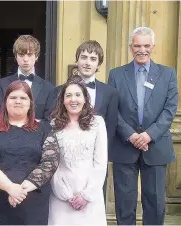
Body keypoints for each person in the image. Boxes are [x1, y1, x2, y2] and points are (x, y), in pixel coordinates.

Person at [108, 27, 178, 225]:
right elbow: (113, 110)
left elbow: (170, 109)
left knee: (155, 203)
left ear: (153, 47)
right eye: (137, 45)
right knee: (124, 203)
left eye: (146, 45)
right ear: (131, 47)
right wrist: (131, 135)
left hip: (156, 147)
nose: (142, 49)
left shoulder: (168, 74)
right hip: (124, 146)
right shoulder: (116, 74)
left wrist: (148, 135)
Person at [0, 80, 59, 224]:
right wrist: (9, 188)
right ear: (5, 102)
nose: (18, 101)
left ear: (31, 103)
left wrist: (19, 191)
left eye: (23, 98)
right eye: (13, 97)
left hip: (32, 204)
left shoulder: (45, 129)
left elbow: (50, 162)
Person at [55, 40, 118, 202]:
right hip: (64, 168)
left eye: (93, 58)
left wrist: (99, 166)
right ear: (77, 60)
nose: (87, 62)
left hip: (94, 167)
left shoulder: (110, 93)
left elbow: (111, 129)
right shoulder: (58, 91)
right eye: (83, 57)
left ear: (99, 64)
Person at [48, 76, 108, 225]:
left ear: (85, 99)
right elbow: (51, 162)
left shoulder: (97, 123)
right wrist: (64, 193)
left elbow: (100, 162)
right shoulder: (53, 124)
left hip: (90, 194)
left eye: (77, 95)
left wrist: (86, 195)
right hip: (61, 196)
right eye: (68, 95)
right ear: (62, 100)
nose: (73, 99)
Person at [0, 35, 56, 120]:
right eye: (21, 55)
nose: (25, 59)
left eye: (30, 54)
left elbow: (48, 121)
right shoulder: (1, 85)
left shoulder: (49, 89)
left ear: (37, 56)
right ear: (16, 56)